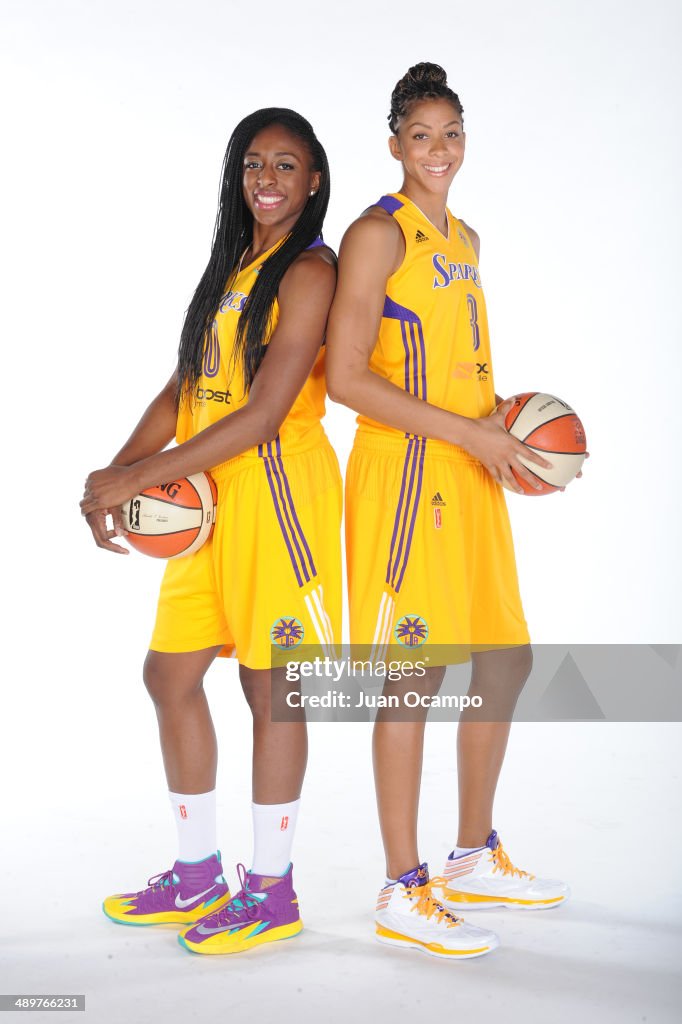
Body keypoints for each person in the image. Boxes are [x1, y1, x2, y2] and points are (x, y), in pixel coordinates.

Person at [81, 108, 342, 956]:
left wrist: (143, 478)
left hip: (279, 501)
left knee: (271, 692)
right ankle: (198, 873)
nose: (267, 178)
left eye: (286, 164)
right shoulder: (235, 265)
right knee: (170, 675)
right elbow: (181, 386)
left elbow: (266, 414)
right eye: (253, 163)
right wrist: (118, 471)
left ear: (312, 180)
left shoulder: (309, 270)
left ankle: (270, 891)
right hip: (206, 501)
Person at [326, 63, 571, 960]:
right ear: (393, 143)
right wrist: (468, 437)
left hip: (469, 473)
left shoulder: (464, 236)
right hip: (404, 482)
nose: (438, 150)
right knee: (411, 680)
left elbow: (458, 369)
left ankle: (472, 854)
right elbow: (350, 380)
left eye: (451, 133)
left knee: (505, 658)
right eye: (421, 135)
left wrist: (513, 430)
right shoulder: (373, 235)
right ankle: (401, 884)